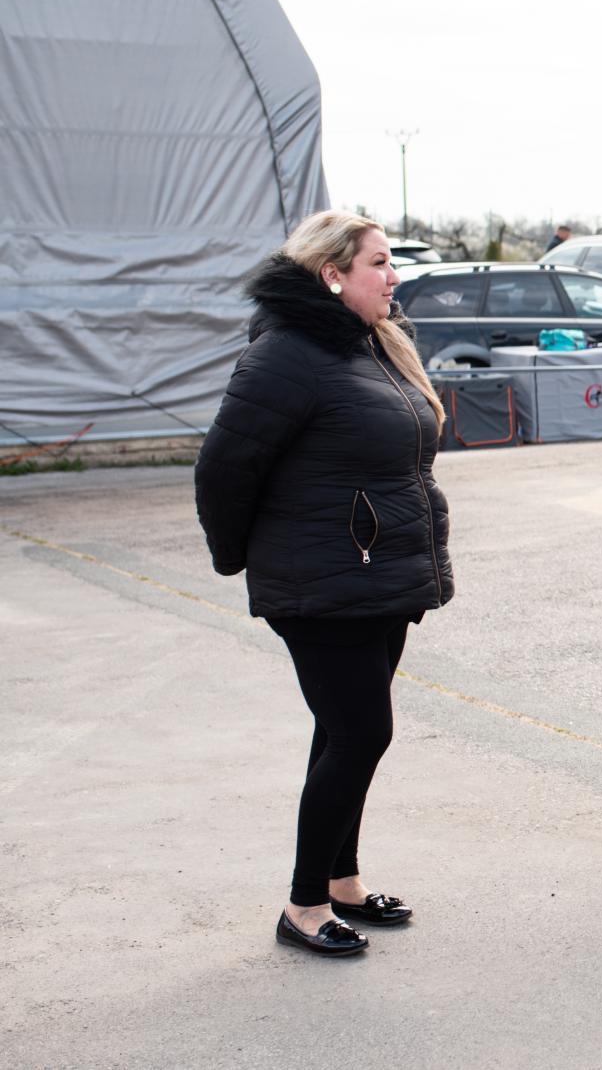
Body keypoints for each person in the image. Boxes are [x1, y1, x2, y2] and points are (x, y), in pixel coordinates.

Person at [193, 209, 454, 957]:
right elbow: (222, 470)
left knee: (342, 733)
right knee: (363, 733)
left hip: (377, 577)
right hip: (322, 583)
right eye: (379, 263)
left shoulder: (374, 342)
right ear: (332, 274)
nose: (394, 276)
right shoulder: (287, 354)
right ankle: (303, 905)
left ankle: (341, 881)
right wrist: (243, 558)